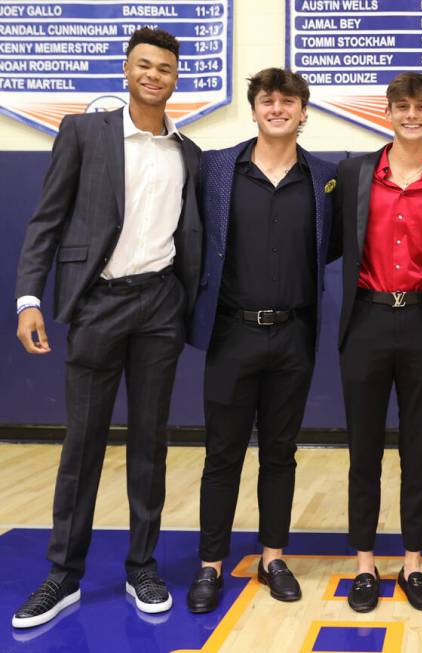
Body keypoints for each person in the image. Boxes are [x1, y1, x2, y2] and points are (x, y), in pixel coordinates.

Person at [12, 27, 202, 627]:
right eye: (143, 65)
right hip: (97, 304)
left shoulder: (187, 152)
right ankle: (62, 576)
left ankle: (141, 566)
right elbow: (47, 220)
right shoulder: (82, 133)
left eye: (164, 68)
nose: (153, 75)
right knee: (82, 444)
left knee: (151, 443)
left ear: (176, 78)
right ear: (126, 71)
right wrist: (28, 298)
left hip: (159, 308)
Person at [183, 68, 337, 613]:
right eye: (267, 100)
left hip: (294, 335)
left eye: (288, 101)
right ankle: (210, 564)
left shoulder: (324, 178)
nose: (277, 109)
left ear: (303, 112)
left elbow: (331, 246)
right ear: (254, 110)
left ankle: (273, 556)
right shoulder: (216, 168)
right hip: (232, 333)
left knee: (280, 454)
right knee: (221, 455)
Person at [330, 72, 422, 613]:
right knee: (362, 450)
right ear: (387, 112)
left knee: (419, 450)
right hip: (366, 319)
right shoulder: (353, 173)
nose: (411, 115)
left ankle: (413, 561)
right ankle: (365, 562)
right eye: (402, 106)